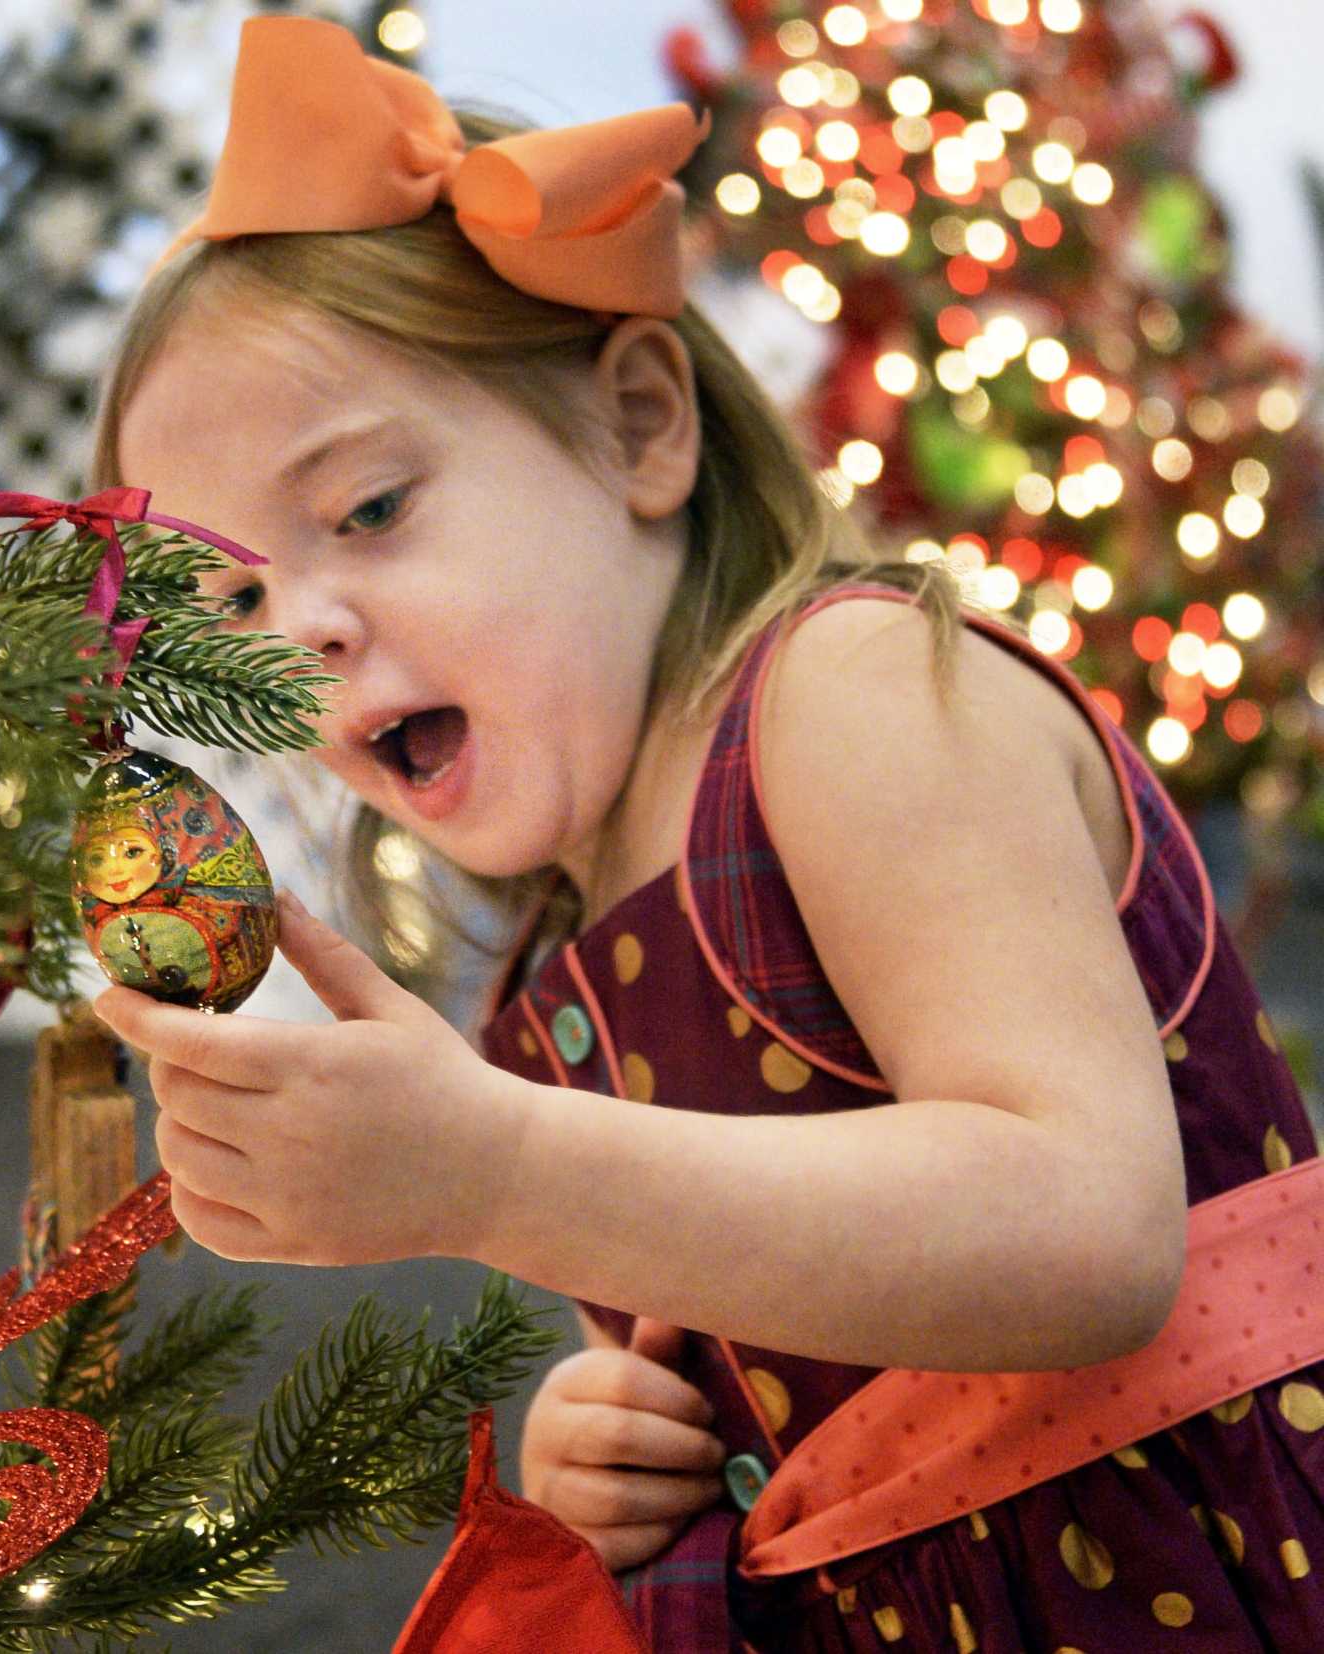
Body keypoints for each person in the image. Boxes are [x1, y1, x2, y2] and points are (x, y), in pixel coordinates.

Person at [88, 16, 1324, 1649]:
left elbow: (1089, 1229)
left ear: (641, 426)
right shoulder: (552, 947)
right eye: (232, 592)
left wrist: (497, 1168)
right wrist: (621, 1431)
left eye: (371, 509)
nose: (301, 624)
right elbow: (769, 1267)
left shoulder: (856, 695)